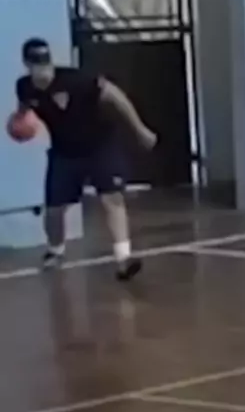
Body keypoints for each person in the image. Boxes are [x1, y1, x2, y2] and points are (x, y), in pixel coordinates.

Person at [15, 38, 157, 280]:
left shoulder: (76, 80)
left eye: (45, 63)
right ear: (27, 65)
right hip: (64, 151)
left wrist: (140, 129)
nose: (42, 70)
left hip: (100, 145)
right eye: (37, 64)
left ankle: (123, 259)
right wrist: (19, 121)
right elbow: (25, 107)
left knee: (111, 197)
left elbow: (114, 95)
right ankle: (55, 251)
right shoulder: (24, 87)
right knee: (54, 209)